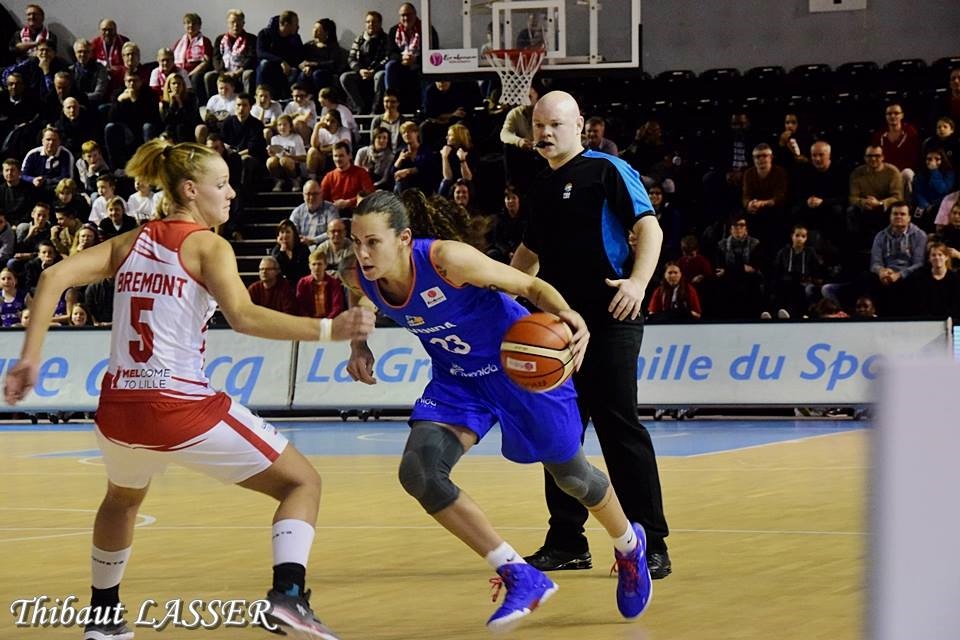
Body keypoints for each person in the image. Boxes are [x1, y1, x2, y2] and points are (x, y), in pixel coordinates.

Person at [3, 137, 375, 640]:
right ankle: (288, 598)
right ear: (190, 190)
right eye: (221, 185)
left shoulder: (129, 242)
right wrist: (332, 329)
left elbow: (50, 278)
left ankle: (104, 617)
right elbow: (243, 318)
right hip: (177, 404)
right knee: (301, 482)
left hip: (116, 408)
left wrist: (29, 359)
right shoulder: (207, 245)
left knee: (121, 500)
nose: (230, 196)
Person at [346, 189, 652, 631]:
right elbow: (360, 295)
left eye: (372, 242)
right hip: (457, 381)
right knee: (420, 471)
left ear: (404, 239)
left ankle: (628, 545)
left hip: (519, 366)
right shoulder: (363, 272)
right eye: (356, 242)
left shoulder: (448, 260)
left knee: (572, 477)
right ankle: (518, 574)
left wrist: (569, 315)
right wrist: (359, 345)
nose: (363, 252)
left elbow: (529, 284)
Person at [509, 91, 671, 579]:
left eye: (555, 123)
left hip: (611, 317)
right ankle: (567, 541)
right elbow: (528, 255)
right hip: (558, 326)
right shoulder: (538, 186)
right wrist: (496, 299)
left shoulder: (607, 170)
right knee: (558, 433)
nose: (545, 133)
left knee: (619, 426)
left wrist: (639, 284)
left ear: (580, 125)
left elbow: (650, 228)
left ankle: (650, 541)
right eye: (538, 124)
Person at [339, 11, 390, 114]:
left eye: (374, 22)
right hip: (362, 72)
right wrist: (360, 70)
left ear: (380, 24)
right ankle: (360, 108)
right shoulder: (359, 39)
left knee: (381, 76)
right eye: (368, 22)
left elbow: (387, 58)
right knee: (345, 77)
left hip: (377, 71)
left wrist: (374, 70)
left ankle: (375, 109)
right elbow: (351, 58)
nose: (371, 24)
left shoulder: (386, 39)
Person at [206, 9, 257, 99]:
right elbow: (216, 58)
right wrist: (223, 72)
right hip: (224, 71)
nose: (235, 25)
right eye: (232, 22)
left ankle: (247, 102)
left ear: (243, 23)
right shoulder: (220, 39)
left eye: (238, 22)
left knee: (248, 74)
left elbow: (252, 58)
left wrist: (239, 71)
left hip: (241, 71)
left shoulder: (251, 38)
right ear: (227, 23)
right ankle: (213, 103)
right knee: (209, 76)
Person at [288, 179, 338, 250]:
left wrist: (313, 241)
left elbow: (334, 231)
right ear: (303, 196)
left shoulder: (331, 209)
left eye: (315, 194)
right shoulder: (297, 212)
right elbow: (291, 232)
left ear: (321, 194)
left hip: (325, 251)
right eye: (308, 194)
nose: (311, 197)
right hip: (302, 251)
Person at [296, 249, 344, 318]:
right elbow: (300, 306)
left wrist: (325, 322)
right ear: (309, 266)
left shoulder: (334, 282)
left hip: (329, 321)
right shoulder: (303, 283)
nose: (316, 267)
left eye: (319, 264)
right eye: (314, 264)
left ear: (325, 265)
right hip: (308, 322)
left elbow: (337, 307)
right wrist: (309, 321)